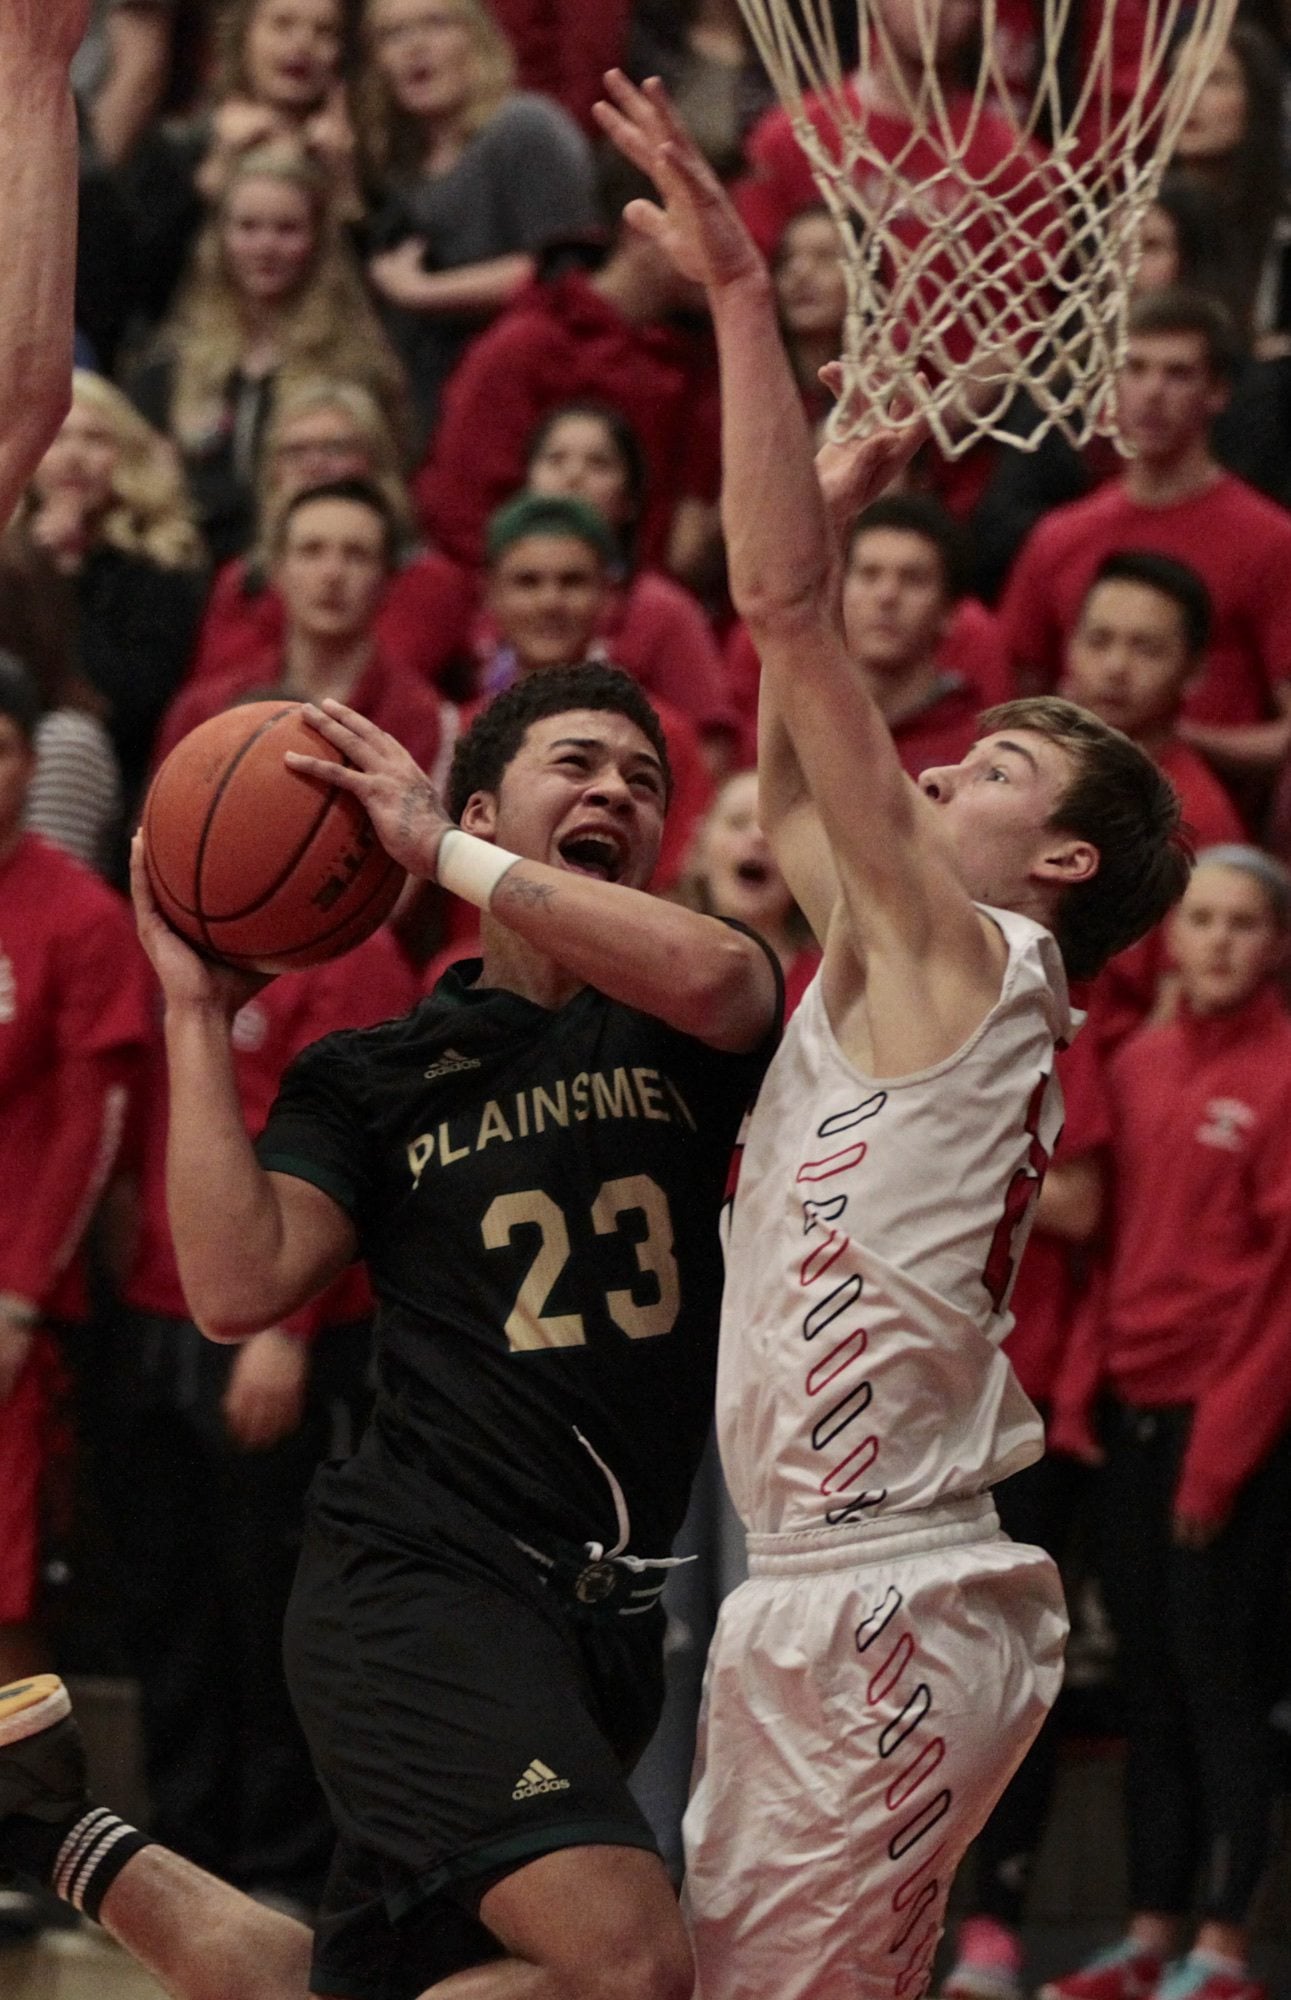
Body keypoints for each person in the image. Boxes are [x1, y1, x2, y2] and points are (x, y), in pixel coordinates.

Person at [589, 72, 1192, 2000]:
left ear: (1066, 851)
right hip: (824, 1585)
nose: (945, 757)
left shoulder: (983, 950)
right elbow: (780, 755)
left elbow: (777, 618)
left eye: (995, 759)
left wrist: (753, 306)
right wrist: (839, 501)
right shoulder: (907, 967)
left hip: (888, 1590)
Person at [0, 656, 781, 2000]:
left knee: (350, 1985)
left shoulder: (678, 1022)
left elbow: (727, 982)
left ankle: (45, 1830)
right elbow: (238, 1282)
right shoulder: (371, 1074)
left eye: (642, 781)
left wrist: (442, 854)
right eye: (578, 764)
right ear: (476, 809)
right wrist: (194, 1007)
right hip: (421, 1583)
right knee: (629, 1967)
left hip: (597, 1616)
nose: (616, 791)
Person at [91, 927, 416, 1915]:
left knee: (274, 1602)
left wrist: (288, 1329)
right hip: (155, 1306)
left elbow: (356, 1150)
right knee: (166, 1597)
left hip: (283, 1320)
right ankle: (186, 1848)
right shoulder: (178, 943)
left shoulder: (357, 960)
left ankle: (283, 1861)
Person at [1045, 848, 1291, 2000]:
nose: (1223, 941)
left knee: (1219, 1680)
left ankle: (1225, 1947)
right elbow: (1107, 1256)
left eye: (1247, 924)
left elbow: (1281, 1292)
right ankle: (1146, 1934)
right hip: (1133, 1419)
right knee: (1147, 1683)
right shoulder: (1134, 1063)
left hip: (1229, 1427)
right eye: (1204, 920)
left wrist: (1220, 1459)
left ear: (1276, 944)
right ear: (1171, 936)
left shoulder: (1287, 1072)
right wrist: (1083, 1393)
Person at [0, 657, 152, 1695]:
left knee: (5, 1589)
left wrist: (17, 1297)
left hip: (15, 1299)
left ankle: (25, 1828)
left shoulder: (80, 915)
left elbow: (92, 1123)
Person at [1000, 288, 1291, 807]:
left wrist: (1161, 735)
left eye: (1177, 374)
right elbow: (1019, 699)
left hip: (1209, 826)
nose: (1152, 391)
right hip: (1075, 808)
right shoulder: (1058, 536)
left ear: (1218, 392)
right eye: (1134, 369)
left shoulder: (1271, 540)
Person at [410, 179, 721, 579]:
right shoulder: (523, 347)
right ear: (641, 232)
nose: (724, 256)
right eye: (707, 237)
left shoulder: (698, 363)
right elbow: (461, 510)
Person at [130, 141, 406, 563]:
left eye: (287, 229)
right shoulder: (169, 366)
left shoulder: (358, 367)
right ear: (220, 237)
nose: (266, 247)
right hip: (191, 570)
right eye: (248, 227)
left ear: (318, 239)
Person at [357, 0, 597, 440]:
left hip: (524, 410)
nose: (416, 47)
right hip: (422, 415)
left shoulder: (526, 127)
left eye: (435, 23)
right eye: (393, 34)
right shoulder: (394, 168)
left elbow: (566, 272)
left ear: (479, 39)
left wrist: (424, 292)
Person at [468, 491, 712, 893]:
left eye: (573, 581)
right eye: (527, 582)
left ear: (609, 594)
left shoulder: (664, 739)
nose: (550, 601)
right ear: (489, 592)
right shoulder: (462, 732)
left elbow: (678, 892)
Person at [1058, 549, 1245, 1048]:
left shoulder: (1198, 816)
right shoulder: (1030, 773)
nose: (1116, 667)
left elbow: (1176, 1006)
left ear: (1196, 670)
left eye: (1147, 649)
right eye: (1099, 640)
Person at [154, 477, 450, 788]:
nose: (332, 573)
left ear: (387, 579)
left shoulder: (426, 721)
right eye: (311, 550)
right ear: (277, 570)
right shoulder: (204, 711)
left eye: (357, 554)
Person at [185, 378, 476, 692]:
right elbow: (215, 695)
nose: (314, 465)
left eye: (335, 448)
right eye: (295, 451)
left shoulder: (428, 578)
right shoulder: (241, 580)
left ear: (376, 462)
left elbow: (360, 687)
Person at [14, 370, 206, 842]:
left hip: (111, 777)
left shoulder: (165, 567)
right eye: (57, 438)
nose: (75, 456)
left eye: (95, 438)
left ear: (127, 456)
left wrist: (64, 573)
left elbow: (131, 704)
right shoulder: (7, 560)